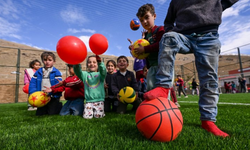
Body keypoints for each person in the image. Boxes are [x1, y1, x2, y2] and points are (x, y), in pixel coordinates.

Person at [144, 0, 238, 137]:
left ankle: (208, 120)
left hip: (208, 36)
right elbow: (168, 21)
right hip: (184, 36)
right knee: (168, 37)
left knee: (209, 79)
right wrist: (171, 30)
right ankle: (164, 87)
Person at [129, 3, 165, 91]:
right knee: (150, 90)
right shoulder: (147, 36)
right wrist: (135, 49)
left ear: (154, 16)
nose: (144, 22)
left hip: (162, 67)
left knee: (162, 91)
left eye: (146, 17)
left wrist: (144, 49)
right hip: (151, 68)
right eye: (141, 20)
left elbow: (161, 45)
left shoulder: (160, 30)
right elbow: (145, 53)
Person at [29, 52, 63, 116]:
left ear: (54, 62)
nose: (47, 62)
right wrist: (33, 93)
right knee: (40, 114)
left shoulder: (56, 72)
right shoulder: (38, 72)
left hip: (53, 96)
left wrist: (51, 93)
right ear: (42, 61)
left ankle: (59, 105)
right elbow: (33, 83)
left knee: (52, 113)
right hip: (41, 96)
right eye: (45, 60)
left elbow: (58, 85)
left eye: (50, 60)